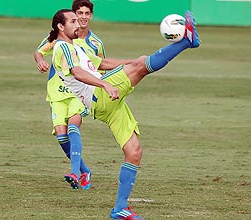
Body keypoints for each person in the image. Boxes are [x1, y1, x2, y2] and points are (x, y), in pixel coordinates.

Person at [48, 8, 200, 219]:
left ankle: (120, 208)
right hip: (99, 96)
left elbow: (102, 64)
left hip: (106, 106)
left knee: (134, 152)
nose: (78, 23)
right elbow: (78, 73)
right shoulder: (62, 47)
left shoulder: (76, 48)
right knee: (142, 67)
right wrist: (104, 84)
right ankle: (186, 42)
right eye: (73, 21)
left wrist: (132, 62)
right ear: (60, 27)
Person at [34, 0, 133, 190]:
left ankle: (75, 172)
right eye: (79, 13)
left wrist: (128, 67)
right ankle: (84, 170)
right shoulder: (59, 38)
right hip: (57, 92)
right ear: (72, 16)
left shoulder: (95, 43)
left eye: (87, 13)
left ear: (91, 16)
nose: (83, 17)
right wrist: (40, 61)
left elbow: (100, 65)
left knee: (73, 125)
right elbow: (39, 52)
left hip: (80, 92)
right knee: (62, 137)